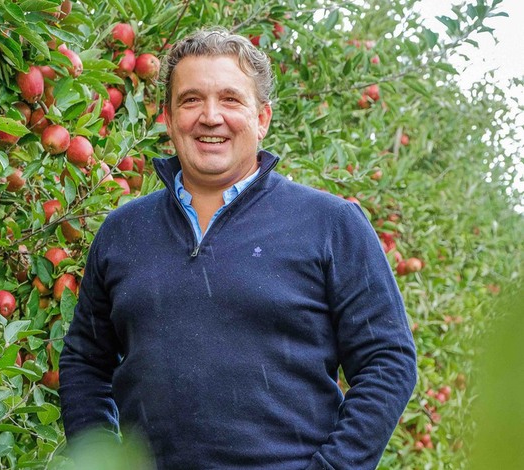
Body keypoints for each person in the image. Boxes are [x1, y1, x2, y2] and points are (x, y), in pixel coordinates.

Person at [59, 28, 417, 470]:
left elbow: (388, 362)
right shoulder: (123, 232)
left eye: (230, 99)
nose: (210, 117)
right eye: (191, 100)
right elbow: (85, 362)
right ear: (167, 118)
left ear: (262, 118)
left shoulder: (330, 224)